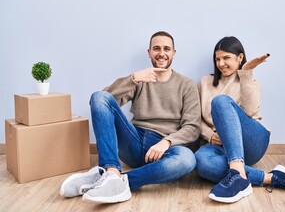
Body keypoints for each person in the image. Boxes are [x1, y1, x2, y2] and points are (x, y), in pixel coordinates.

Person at [60, 31, 201, 203]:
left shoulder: (187, 85)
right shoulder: (140, 79)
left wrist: (167, 142)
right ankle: (111, 169)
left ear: (174, 52)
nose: (161, 53)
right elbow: (102, 101)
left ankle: (117, 180)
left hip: (165, 147)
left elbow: (192, 127)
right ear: (149, 52)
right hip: (134, 140)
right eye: (156, 48)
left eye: (166, 49)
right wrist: (132, 79)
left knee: (187, 159)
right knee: (98, 96)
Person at [195, 36, 285, 203]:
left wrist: (246, 73)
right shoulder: (205, 82)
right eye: (217, 59)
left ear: (240, 57)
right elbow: (195, 117)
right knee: (200, 161)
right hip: (219, 146)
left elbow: (250, 112)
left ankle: (237, 171)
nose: (221, 63)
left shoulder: (251, 82)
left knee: (220, 101)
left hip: (251, 141)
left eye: (226, 57)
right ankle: (269, 177)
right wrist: (208, 135)